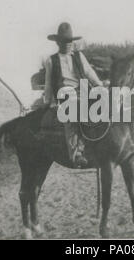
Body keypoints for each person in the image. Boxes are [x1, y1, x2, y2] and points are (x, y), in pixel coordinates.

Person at [43, 22, 103, 168]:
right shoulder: (52, 60)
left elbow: (89, 73)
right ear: (58, 42)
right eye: (64, 42)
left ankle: (103, 145)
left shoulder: (78, 56)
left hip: (82, 91)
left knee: (103, 106)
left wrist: (100, 86)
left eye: (69, 41)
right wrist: (49, 102)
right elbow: (49, 83)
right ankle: (76, 153)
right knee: (73, 113)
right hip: (65, 96)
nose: (67, 44)